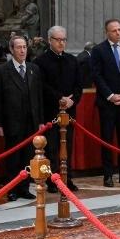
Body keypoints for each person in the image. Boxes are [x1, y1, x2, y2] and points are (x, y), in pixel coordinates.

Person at [0, 35, 45, 200]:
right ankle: (12, 189)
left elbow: (39, 97)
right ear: (11, 49)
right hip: (12, 122)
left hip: (31, 122)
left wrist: (41, 121)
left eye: (24, 47)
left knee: (28, 157)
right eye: (19, 47)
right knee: (13, 159)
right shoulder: (1, 71)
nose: (22, 50)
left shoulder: (33, 68)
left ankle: (24, 188)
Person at [91, 19, 120, 187]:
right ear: (107, 32)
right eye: (114, 31)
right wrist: (111, 96)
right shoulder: (99, 50)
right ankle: (108, 175)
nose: (118, 33)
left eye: (119, 29)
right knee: (107, 139)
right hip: (107, 103)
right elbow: (97, 76)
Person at [34, 26, 83, 193]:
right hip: (51, 111)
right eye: (58, 39)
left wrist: (72, 100)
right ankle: (52, 180)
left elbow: (79, 85)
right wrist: (59, 98)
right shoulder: (40, 62)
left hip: (69, 111)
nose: (61, 43)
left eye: (64, 40)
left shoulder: (72, 60)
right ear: (50, 40)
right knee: (52, 148)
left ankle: (67, 178)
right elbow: (42, 86)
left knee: (67, 146)